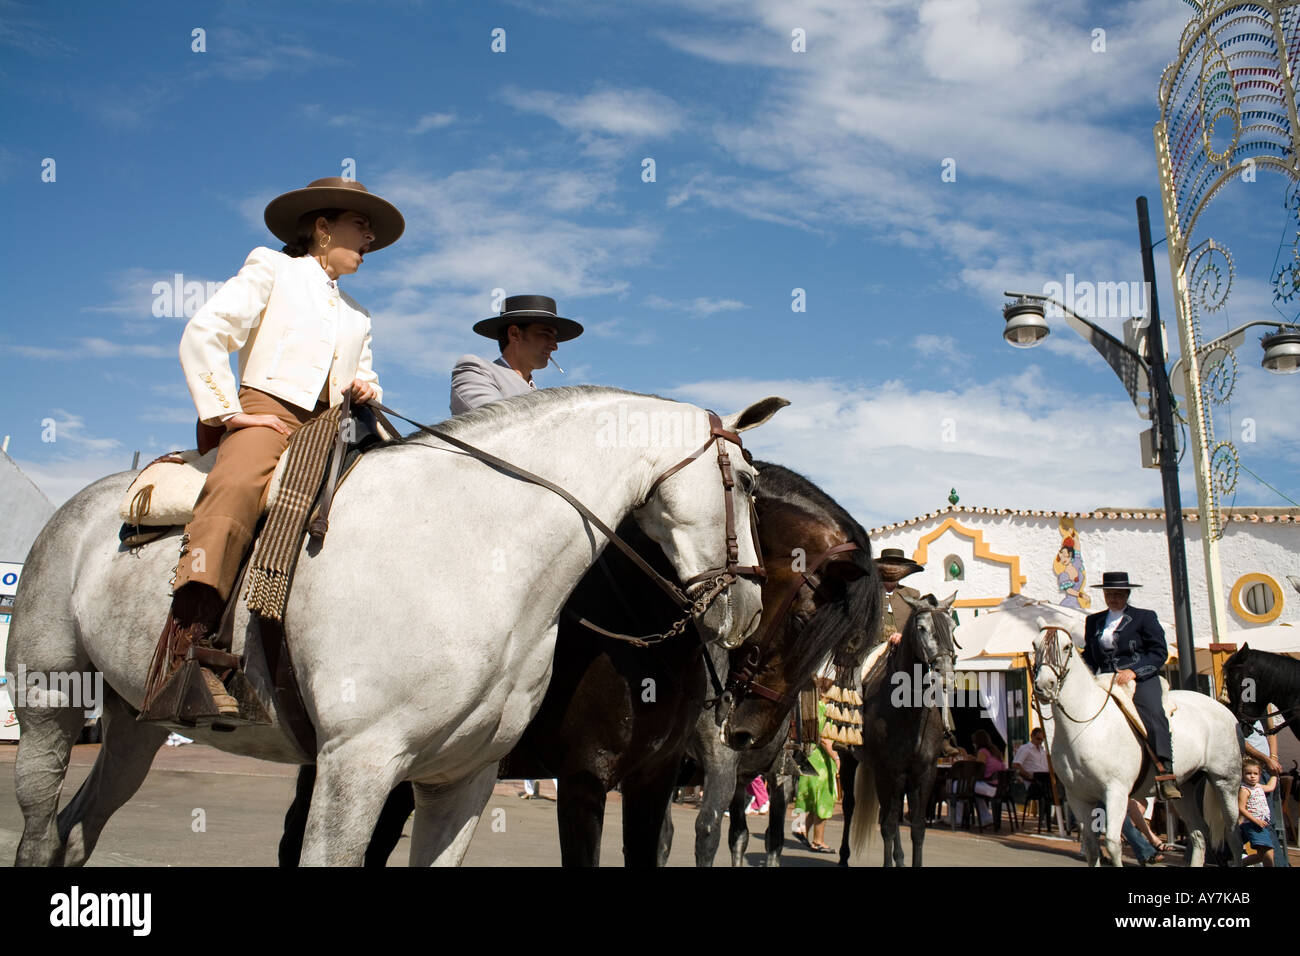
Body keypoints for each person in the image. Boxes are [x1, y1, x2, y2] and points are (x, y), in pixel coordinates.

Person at [141, 177, 405, 723]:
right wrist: (228, 412)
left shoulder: (359, 315)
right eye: (361, 226)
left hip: (332, 425)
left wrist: (366, 388)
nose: (370, 238)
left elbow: (366, 374)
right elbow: (205, 331)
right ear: (322, 227)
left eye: (372, 232)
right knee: (234, 488)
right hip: (268, 411)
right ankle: (191, 653)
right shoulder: (272, 267)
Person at [1081, 571, 1181, 800]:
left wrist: (1134, 671)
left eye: (1118, 594)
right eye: (1109, 594)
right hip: (1105, 679)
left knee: (1154, 714)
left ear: (1127, 594)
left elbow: (1159, 652)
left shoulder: (1144, 617)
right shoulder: (1094, 621)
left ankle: (1166, 772)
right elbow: (1090, 656)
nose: (1113, 598)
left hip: (1139, 677)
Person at [449, 295, 583, 415]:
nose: (555, 346)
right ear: (514, 334)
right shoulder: (476, 370)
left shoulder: (536, 391)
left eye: (554, 338)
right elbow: (492, 424)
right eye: (546, 334)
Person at [794, 682, 839, 852]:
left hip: (810, 758)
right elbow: (826, 740)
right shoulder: (827, 711)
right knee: (823, 802)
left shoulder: (813, 709)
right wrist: (836, 757)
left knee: (812, 801)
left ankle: (801, 829)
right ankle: (818, 841)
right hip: (821, 763)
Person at [1240, 757, 1278, 866]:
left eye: (1255, 774)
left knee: (1262, 855)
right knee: (1268, 852)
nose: (1252, 776)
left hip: (1261, 824)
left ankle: (1237, 864)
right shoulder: (1245, 789)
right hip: (1253, 824)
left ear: (1259, 775)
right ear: (1242, 774)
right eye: (1248, 773)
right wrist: (1256, 821)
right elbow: (1241, 808)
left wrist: (1274, 774)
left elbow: (1270, 787)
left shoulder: (1258, 786)